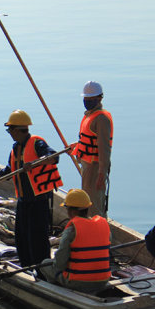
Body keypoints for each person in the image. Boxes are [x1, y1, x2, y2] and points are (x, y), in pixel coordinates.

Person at [0, 109, 63, 268]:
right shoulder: (16, 148)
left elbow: (54, 157)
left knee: (38, 238)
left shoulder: (37, 143)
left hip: (39, 201)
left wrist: (36, 163)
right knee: (22, 238)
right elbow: (9, 170)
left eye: (10, 130)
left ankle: (42, 271)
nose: (9, 133)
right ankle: (26, 267)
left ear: (18, 130)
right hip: (24, 201)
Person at [40, 189, 112, 292]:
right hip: (103, 280)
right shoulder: (104, 225)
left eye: (67, 208)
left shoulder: (71, 230)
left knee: (44, 264)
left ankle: (57, 290)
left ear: (73, 211)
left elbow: (59, 264)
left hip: (77, 282)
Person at [69, 81, 113, 218]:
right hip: (87, 165)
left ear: (100, 98)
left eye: (90, 99)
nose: (87, 101)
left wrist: (101, 173)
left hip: (95, 167)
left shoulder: (101, 119)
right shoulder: (88, 115)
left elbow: (104, 149)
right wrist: (77, 145)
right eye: (85, 99)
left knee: (93, 204)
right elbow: (88, 139)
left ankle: (99, 233)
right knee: (86, 199)